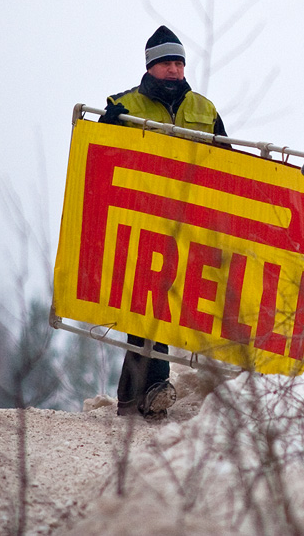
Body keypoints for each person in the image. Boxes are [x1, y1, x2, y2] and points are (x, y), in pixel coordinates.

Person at [100, 25, 229, 418]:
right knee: (143, 301)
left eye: (179, 62)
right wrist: (108, 127)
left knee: (171, 301)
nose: (174, 70)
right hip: (140, 220)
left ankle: (131, 398)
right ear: (149, 67)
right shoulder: (123, 105)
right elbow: (100, 159)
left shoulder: (205, 110)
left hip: (190, 222)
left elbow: (230, 167)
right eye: (166, 63)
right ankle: (154, 388)